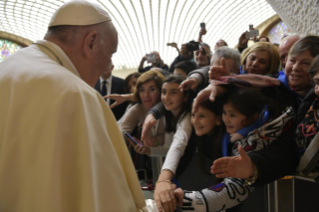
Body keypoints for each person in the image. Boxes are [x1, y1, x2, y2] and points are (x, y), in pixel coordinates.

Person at [0, 1, 148, 211]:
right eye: (111, 53)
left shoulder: (7, 67)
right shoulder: (78, 95)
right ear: (91, 43)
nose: (108, 65)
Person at [174, 88, 294, 212]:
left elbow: (235, 189)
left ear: (253, 117)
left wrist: (189, 199)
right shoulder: (237, 135)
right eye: (224, 113)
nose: (225, 119)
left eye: (232, 115)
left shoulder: (255, 142)